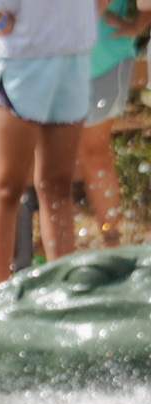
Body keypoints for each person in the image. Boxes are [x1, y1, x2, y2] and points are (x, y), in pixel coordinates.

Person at [0, 0, 96, 282]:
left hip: (74, 57)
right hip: (17, 59)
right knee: (8, 186)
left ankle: (64, 288)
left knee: (58, 185)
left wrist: (87, 19)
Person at [77, 0, 150, 247]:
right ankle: (47, 247)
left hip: (105, 59)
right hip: (51, 62)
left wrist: (138, 25)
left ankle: (112, 243)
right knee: (53, 159)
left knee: (94, 153)